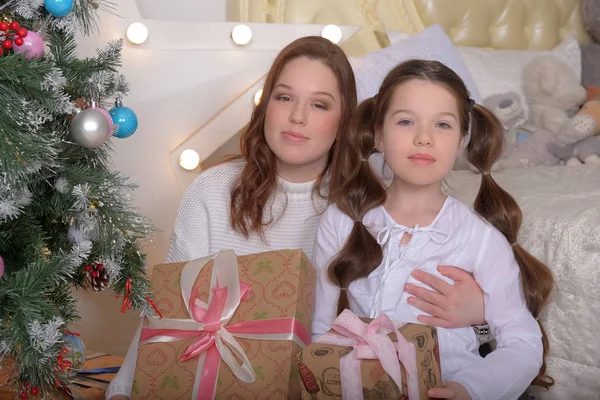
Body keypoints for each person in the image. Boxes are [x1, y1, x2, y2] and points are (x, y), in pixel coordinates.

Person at [106, 37, 487, 399]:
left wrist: (481, 315)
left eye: (320, 104)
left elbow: (409, 322)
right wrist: (123, 390)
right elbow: (165, 315)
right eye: (284, 97)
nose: (298, 117)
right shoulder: (212, 189)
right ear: (265, 105)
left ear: (344, 121)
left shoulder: (370, 208)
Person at [312, 59, 555, 399]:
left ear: (461, 142)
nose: (424, 138)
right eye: (406, 121)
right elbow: (319, 330)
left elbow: (523, 342)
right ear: (378, 134)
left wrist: (469, 388)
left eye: (442, 125)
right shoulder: (342, 220)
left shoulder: (479, 238)